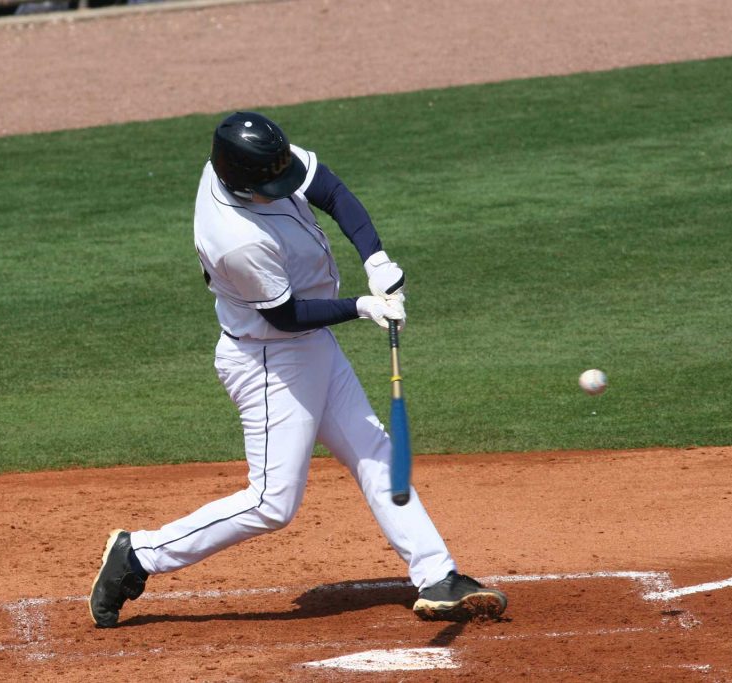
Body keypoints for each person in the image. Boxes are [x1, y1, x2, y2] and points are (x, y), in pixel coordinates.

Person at [89, 111, 508, 628]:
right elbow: (284, 316)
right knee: (272, 503)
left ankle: (437, 574)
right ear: (240, 185)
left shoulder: (252, 161)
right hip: (270, 359)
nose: (285, 188)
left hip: (311, 346)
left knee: (376, 450)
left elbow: (329, 188)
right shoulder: (235, 239)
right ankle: (140, 554)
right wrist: (361, 307)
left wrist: (375, 257)